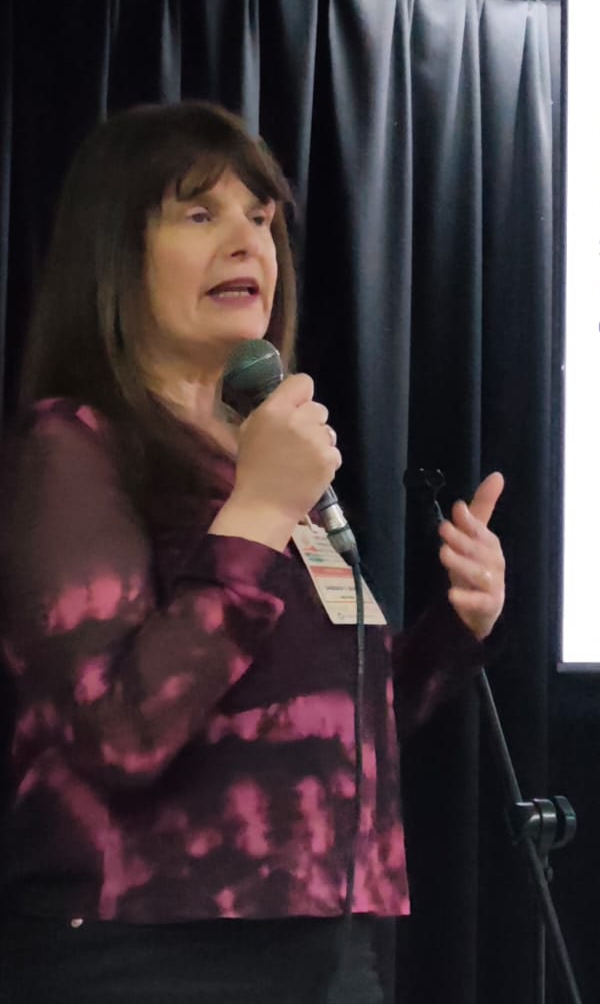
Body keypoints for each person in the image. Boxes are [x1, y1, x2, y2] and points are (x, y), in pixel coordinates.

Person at [0, 102, 507, 1002]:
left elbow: (331, 720)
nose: (248, 242)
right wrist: (261, 508)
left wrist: (455, 629)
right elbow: (119, 733)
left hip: (333, 941)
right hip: (146, 951)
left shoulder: (267, 463)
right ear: (115, 252)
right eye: (200, 213)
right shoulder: (73, 447)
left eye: (263, 219)